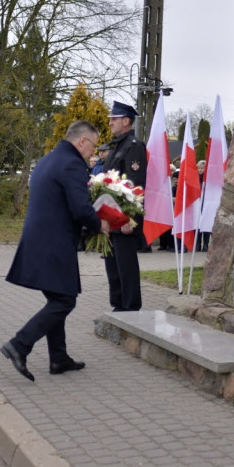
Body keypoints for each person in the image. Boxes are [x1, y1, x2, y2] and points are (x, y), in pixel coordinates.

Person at [0, 121, 111, 381]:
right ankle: (19, 345)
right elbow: (80, 209)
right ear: (82, 141)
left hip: (40, 240)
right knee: (64, 301)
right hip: (54, 244)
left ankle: (58, 359)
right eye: (92, 146)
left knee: (58, 299)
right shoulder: (72, 164)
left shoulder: (49, 158)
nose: (92, 153)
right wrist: (100, 224)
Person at [102, 101, 146, 311]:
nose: (110, 122)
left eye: (114, 119)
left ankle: (130, 307)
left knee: (125, 265)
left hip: (124, 218)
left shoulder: (134, 146)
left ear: (126, 121)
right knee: (112, 264)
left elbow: (135, 185)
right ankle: (117, 304)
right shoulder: (117, 145)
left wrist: (130, 217)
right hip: (110, 216)